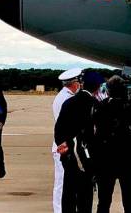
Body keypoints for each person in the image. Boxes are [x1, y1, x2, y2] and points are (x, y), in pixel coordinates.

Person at [93, 75, 131, 213]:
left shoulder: (102, 106)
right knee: (130, 204)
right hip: (128, 161)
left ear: (108, 91)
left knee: (103, 203)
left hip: (106, 161)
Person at [55, 70, 96, 213]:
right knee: (73, 189)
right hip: (74, 150)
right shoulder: (69, 100)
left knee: (68, 188)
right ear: (75, 83)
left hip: (68, 149)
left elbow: (59, 129)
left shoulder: (69, 99)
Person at [52, 68, 82, 213]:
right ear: (74, 83)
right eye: (78, 82)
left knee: (67, 181)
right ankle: (59, 210)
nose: (80, 85)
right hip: (63, 144)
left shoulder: (67, 96)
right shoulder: (64, 99)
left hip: (67, 143)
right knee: (62, 182)